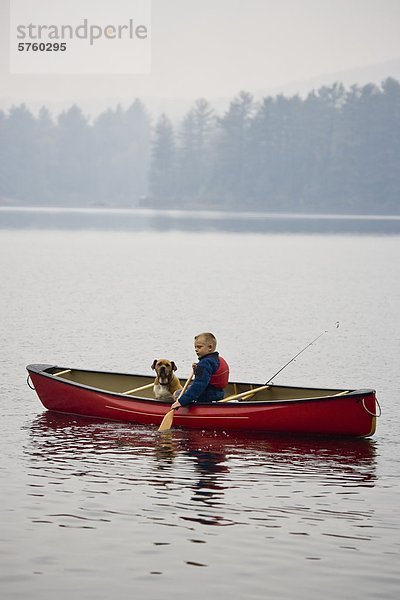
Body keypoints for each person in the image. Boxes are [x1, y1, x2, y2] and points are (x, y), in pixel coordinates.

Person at [171, 332, 229, 408]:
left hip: (206, 396)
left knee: (177, 393)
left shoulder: (204, 364)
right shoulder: (216, 359)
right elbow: (208, 374)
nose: (196, 350)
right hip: (219, 394)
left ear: (210, 347)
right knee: (186, 390)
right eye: (195, 347)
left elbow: (199, 385)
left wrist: (181, 401)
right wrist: (197, 369)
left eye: (199, 347)